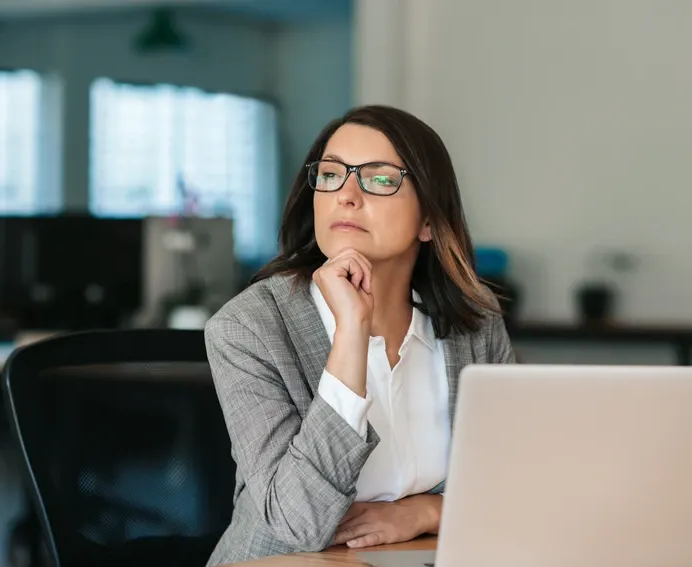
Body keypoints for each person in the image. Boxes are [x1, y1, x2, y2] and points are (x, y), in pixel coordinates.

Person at [203, 105, 516, 566]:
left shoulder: (475, 324)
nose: (346, 194)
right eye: (330, 175)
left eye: (380, 178)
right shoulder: (248, 327)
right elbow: (297, 523)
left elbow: (515, 483)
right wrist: (350, 337)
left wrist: (426, 511)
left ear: (429, 220)